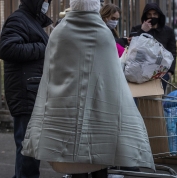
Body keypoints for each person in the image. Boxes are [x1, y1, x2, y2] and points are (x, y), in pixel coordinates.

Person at [20, 0, 155, 178]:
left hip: (65, 109)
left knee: (73, 165)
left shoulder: (59, 33)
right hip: (99, 109)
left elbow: (51, 74)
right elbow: (112, 76)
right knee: (99, 161)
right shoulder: (103, 33)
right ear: (95, 8)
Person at [0, 0, 52, 177]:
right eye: (44, 1)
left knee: (30, 145)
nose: (47, 4)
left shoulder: (31, 21)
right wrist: (43, 47)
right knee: (28, 146)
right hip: (25, 91)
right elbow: (7, 48)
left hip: (32, 89)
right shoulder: (18, 20)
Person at [130, 3, 177, 92]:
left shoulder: (168, 31)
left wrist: (170, 72)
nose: (152, 17)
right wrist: (142, 31)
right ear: (145, 16)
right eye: (149, 14)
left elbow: (172, 51)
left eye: (155, 14)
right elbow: (131, 46)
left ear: (159, 15)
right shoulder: (137, 29)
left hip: (160, 72)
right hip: (140, 71)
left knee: (157, 99)